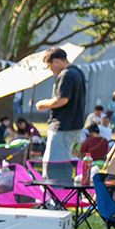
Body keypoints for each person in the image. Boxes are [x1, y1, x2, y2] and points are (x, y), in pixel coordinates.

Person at [36, 47, 87, 179]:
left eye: (49, 66)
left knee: (54, 166)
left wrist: (44, 104)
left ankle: (56, 196)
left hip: (62, 126)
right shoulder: (78, 72)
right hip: (73, 126)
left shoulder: (66, 74)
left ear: (56, 61)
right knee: (63, 161)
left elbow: (62, 99)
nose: (50, 70)